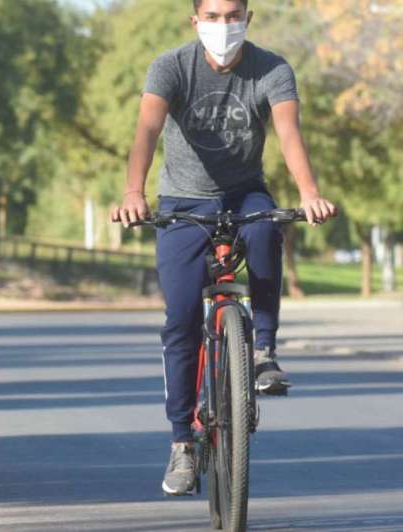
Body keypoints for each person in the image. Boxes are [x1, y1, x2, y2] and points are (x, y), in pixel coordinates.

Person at [110, 0, 337, 496]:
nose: (223, 25)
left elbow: (289, 132)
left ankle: (263, 350)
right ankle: (181, 445)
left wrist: (309, 194)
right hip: (182, 200)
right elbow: (147, 129)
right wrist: (134, 194)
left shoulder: (271, 68)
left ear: (248, 18)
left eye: (233, 15)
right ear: (195, 21)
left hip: (244, 191)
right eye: (212, 16)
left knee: (264, 230)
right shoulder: (171, 67)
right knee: (182, 317)